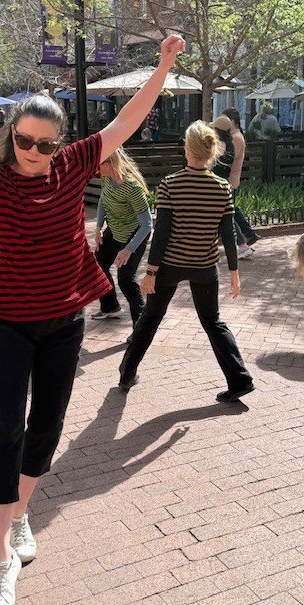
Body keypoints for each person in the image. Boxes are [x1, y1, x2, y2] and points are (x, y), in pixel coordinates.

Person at [0, 32, 185, 605]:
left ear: (58, 144)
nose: (33, 152)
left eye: (44, 144)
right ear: (11, 137)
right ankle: (1, 558)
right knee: (5, 432)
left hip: (65, 321)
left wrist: (163, 67)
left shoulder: (71, 166)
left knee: (46, 424)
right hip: (9, 324)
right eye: (24, 141)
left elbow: (125, 122)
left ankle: (20, 515)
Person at [119, 121, 254, 405]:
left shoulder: (170, 184)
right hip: (205, 267)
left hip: (170, 265)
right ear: (211, 152)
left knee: (151, 318)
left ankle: (127, 373)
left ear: (187, 149)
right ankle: (240, 380)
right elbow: (228, 235)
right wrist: (234, 272)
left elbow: (162, 233)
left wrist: (150, 271)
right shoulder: (222, 188)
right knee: (213, 322)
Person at [92, 147, 152, 330]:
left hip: (135, 233)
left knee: (125, 280)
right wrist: (98, 226)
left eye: (99, 163)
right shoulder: (107, 178)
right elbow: (103, 199)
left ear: (110, 164)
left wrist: (128, 249)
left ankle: (140, 328)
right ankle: (110, 306)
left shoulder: (132, 188)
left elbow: (147, 224)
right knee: (98, 265)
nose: (96, 167)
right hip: (114, 230)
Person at [221, 107, 261, 250]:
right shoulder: (235, 136)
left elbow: (229, 158)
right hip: (231, 178)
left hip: (230, 178)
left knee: (227, 212)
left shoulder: (235, 138)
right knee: (232, 209)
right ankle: (249, 234)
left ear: (232, 121)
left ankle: (243, 242)